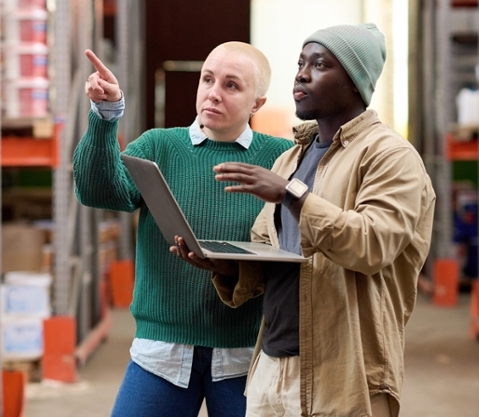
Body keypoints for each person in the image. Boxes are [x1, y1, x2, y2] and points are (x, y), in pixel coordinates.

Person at [172, 24, 436, 417]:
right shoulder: (292, 159)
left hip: (344, 375)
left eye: (320, 64)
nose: (301, 73)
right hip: (272, 368)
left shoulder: (390, 156)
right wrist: (226, 268)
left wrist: (290, 194)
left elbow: (372, 245)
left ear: (355, 83)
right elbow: (274, 255)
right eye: (300, 63)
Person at [73, 42, 293, 417]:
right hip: (161, 351)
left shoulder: (282, 158)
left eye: (231, 85)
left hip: (248, 353)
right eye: (207, 79)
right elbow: (96, 191)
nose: (213, 93)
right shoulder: (160, 146)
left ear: (257, 103)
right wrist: (106, 115)